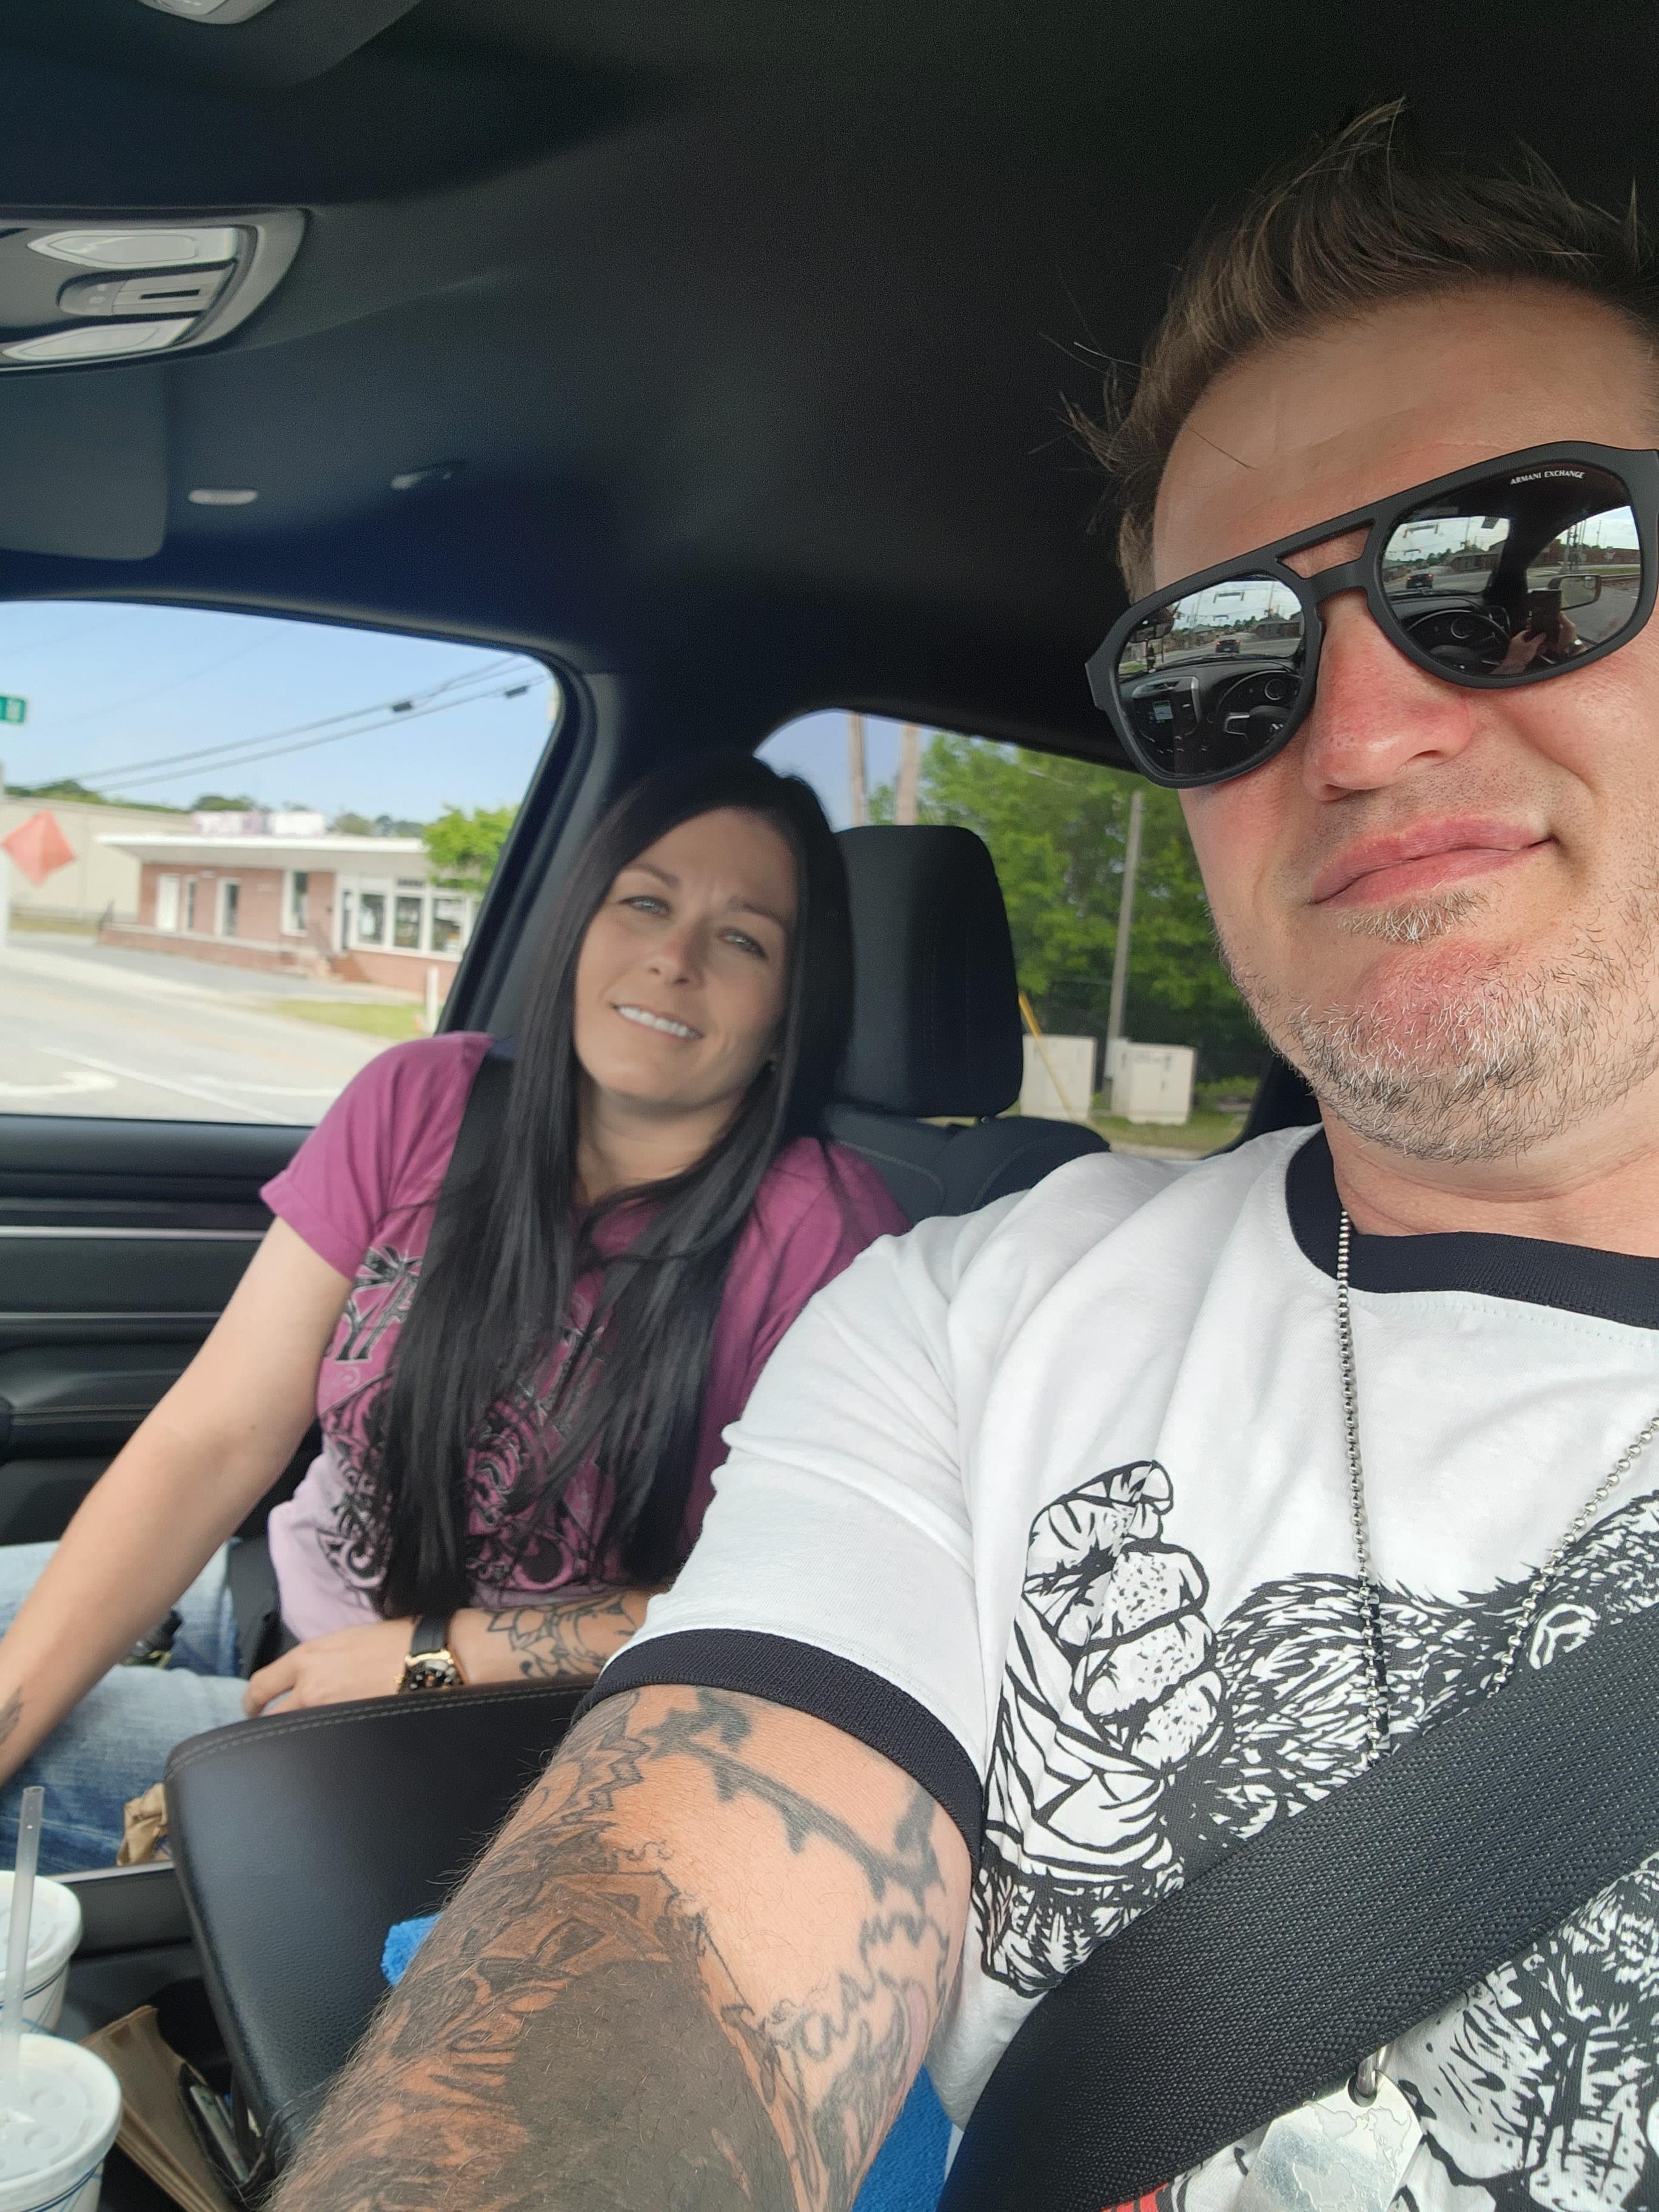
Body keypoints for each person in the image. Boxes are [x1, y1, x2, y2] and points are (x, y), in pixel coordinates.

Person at [275, 109, 1659, 2212]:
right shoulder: (975, 1312)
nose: (1362, 729)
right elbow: (672, 1947)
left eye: (1518, 570)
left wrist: (433, 1663)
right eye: (1226, 663)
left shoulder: (816, 1231)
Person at [0, 752, 904, 1873]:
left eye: (742, 940)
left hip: (475, 1735)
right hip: (265, 1601)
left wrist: (438, 1655)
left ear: (788, 1010)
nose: (674, 960)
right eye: (645, 903)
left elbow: (786, 1603)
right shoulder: (421, 1100)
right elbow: (214, 1436)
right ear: (581, 923)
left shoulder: (826, 1236)